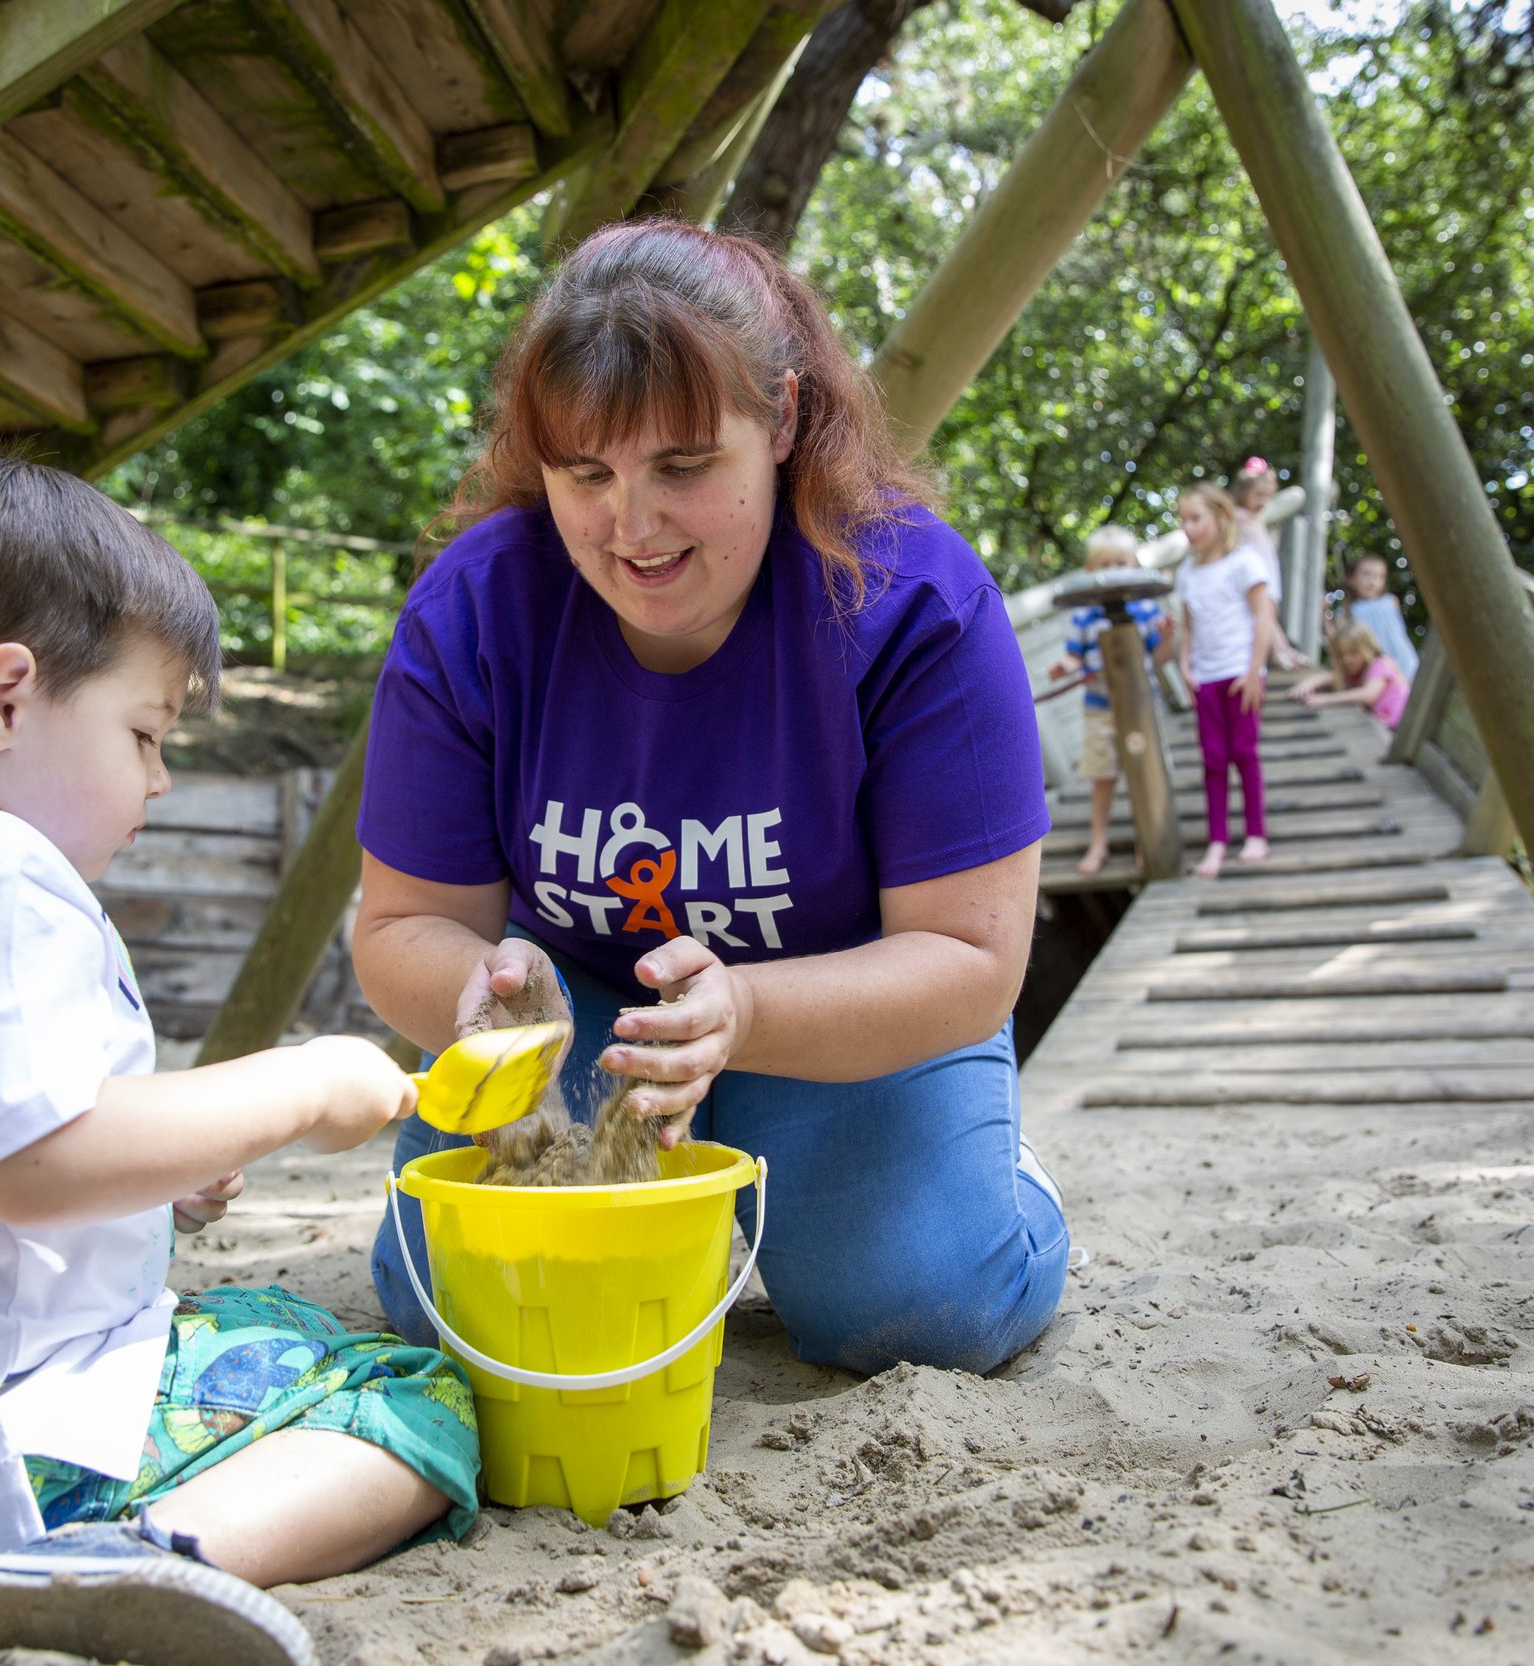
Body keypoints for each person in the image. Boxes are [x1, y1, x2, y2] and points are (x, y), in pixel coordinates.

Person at [0, 459, 481, 1666]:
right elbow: (36, 1163)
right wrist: (300, 1084)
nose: (161, 776)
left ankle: (89, 1553)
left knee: (259, 1318)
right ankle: (134, 1560)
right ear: (7, 698)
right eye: (144, 731)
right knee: (407, 1400)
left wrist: (157, 1173)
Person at [355, 221, 1069, 1380]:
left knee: (916, 1308)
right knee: (435, 1288)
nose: (629, 528)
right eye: (586, 473)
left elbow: (971, 956)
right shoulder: (472, 608)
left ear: (782, 421)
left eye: (682, 467)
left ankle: (990, 1173)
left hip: (843, 1003)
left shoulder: (915, 602)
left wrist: (744, 1012)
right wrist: (489, 994)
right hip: (581, 1007)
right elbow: (398, 926)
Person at [1045, 525, 1169, 878]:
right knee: (1103, 776)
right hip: (1099, 708)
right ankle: (1098, 841)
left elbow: (1160, 657)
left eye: (1120, 562)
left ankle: (1148, 841)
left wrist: (1168, 637)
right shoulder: (1083, 615)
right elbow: (1075, 658)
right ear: (1090, 571)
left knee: (1143, 775)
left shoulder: (1145, 608)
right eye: (1105, 564)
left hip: (1141, 707)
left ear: (1133, 564)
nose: (1113, 570)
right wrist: (1062, 668)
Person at [1176, 480, 1277, 878]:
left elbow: (1263, 617)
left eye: (1195, 518)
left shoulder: (1245, 562)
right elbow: (1188, 626)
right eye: (1183, 520)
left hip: (1240, 673)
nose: (1188, 528)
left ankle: (1256, 834)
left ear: (1220, 517)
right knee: (1213, 760)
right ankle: (1217, 841)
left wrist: (1255, 670)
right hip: (1206, 677)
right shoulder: (1187, 573)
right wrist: (1185, 666)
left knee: (1244, 753)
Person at [1229, 457, 1303, 671]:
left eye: (1267, 497)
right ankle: (1282, 651)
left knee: (1269, 616)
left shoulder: (1255, 517)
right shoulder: (1239, 516)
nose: (1263, 502)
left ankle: (1281, 651)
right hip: (1255, 576)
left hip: (1267, 574)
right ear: (1243, 493)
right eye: (1258, 495)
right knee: (1265, 616)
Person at [1291, 620, 1410, 730]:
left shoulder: (1381, 663)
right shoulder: (1355, 673)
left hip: (1401, 725)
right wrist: (1307, 684)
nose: (1346, 660)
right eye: (1341, 655)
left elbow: (1368, 695)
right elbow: (1329, 676)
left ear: (1366, 648)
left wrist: (1325, 699)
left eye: (1353, 653)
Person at [1336, 552, 1419, 681]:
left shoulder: (1390, 601)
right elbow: (1338, 640)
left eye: (1379, 576)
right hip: (1376, 669)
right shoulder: (1348, 611)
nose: (1372, 580)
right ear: (1351, 579)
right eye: (1366, 574)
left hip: (1403, 660)